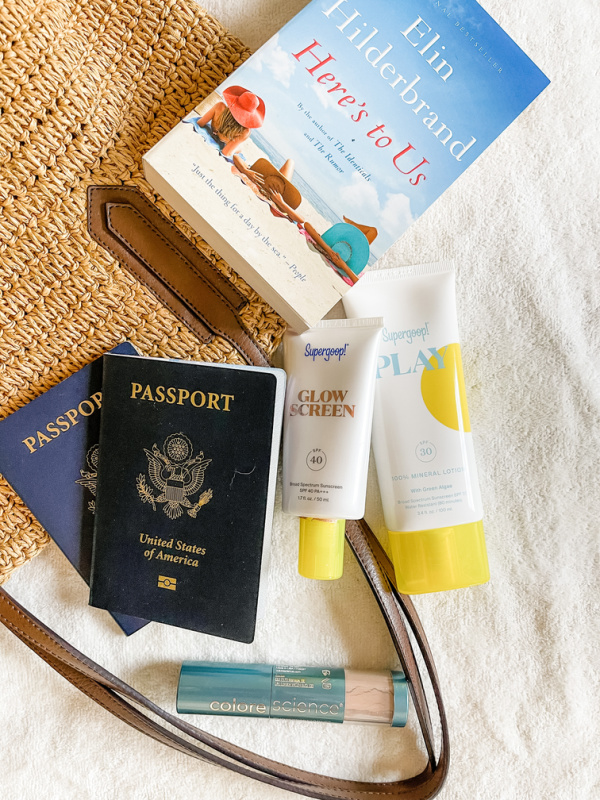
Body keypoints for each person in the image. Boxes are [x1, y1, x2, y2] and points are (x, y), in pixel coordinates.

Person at [192, 85, 265, 157]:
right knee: (239, 150)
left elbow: (200, 123)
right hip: (223, 141)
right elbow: (226, 152)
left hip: (213, 130)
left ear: (236, 100)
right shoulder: (244, 131)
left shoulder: (219, 106)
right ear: (251, 114)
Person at [232, 156, 305, 225]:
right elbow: (235, 157)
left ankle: (279, 179)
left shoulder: (278, 203)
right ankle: (279, 179)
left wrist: (280, 202)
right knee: (290, 162)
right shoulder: (257, 179)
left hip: (277, 195)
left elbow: (301, 220)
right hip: (271, 188)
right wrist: (246, 171)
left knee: (290, 162)